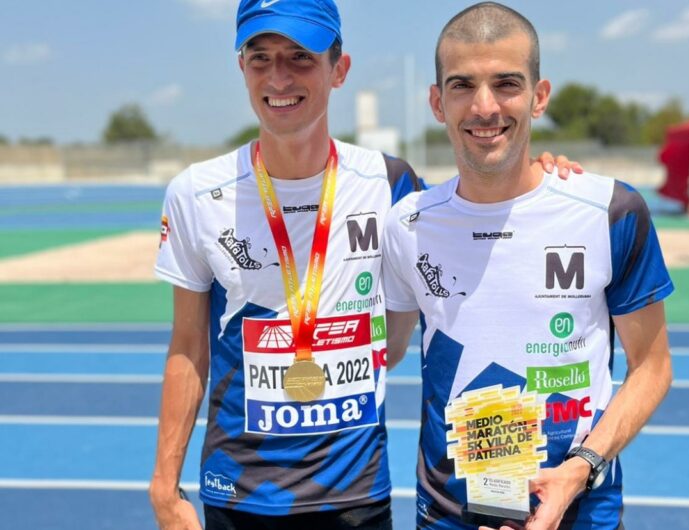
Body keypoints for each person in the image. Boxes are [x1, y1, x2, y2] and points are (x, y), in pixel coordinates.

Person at [149, 1, 579, 528]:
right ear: (242, 67)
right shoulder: (196, 193)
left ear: (340, 69)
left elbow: (479, 211)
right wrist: (165, 491)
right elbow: (188, 347)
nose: (278, 76)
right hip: (238, 494)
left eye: (300, 58)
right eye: (260, 58)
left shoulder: (392, 183)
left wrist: (539, 172)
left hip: (355, 496)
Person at [383, 3, 674, 529]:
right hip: (449, 513)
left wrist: (579, 469)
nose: (485, 106)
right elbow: (388, 346)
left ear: (539, 97)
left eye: (507, 84)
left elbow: (653, 367)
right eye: (462, 85)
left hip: (580, 509)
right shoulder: (406, 224)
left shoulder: (610, 212)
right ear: (436, 101)